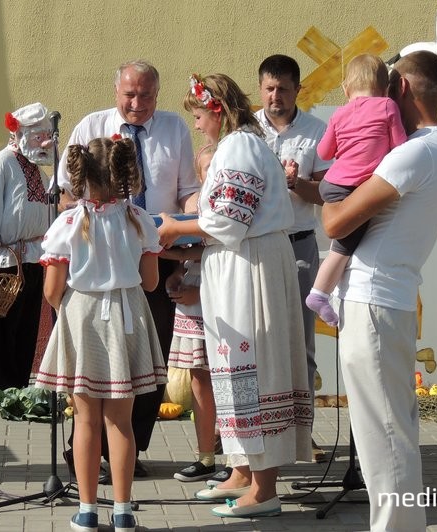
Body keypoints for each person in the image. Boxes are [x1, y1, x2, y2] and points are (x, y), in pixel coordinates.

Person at [157, 73, 312, 518]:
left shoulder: (240, 146)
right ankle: (242, 470)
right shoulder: (236, 145)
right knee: (234, 367)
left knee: (255, 366)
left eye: (200, 116)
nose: (198, 126)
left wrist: (173, 227)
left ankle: (265, 489)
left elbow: (228, 220)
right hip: (236, 265)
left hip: (252, 268)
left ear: (218, 111)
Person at [321, 51, 437, 531]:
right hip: (385, 299)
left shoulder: (412, 153)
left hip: (374, 301)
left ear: (400, 88)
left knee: (384, 438)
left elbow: (336, 218)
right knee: (392, 431)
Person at [57, 59, 198, 476]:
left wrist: (193, 227)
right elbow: (66, 194)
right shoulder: (91, 125)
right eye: (129, 95)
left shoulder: (174, 129)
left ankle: (127, 452)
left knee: (149, 370)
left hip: (156, 261)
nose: (137, 104)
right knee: (94, 370)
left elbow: (188, 193)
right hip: (99, 270)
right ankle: (85, 452)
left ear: (159, 93)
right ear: (116, 91)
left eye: (147, 96)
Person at [34, 136, 166, 532]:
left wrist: (66, 310)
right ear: (124, 173)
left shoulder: (68, 224)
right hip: (127, 315)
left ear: (81, 176)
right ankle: (123, 511)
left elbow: (52, 290)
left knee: (85, 422)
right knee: (121, 423)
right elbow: (150, 283)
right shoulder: (139, 220)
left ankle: (87, 510)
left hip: (84, 315)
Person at [255, 54, 332, 462]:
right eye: (269, 88)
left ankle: (303, 434)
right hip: (256, 248)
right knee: (256, 338)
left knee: (300, 343)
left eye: (283, 88)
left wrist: (296, 183)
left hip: (299, 244)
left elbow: (325, 194)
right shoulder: (247, 130)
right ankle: (252, 431)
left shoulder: (317, 132)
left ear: (298, 89)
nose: (275, 96)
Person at [306, 54, 408, 326]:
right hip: (350, 187)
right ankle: (319, 293)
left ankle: (325, 290)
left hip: (332, 182)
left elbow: (324, 151)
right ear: (386, 88)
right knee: (344, 246)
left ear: (345, 89)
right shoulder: (388, 106)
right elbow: (401, 150)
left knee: (344, 241)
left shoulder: (339, 114)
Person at [0, 103, 52, 399]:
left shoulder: (37, 171)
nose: (46, 143)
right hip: (3, 259)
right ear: (22, 134)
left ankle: (16, 385)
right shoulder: (2, 163)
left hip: (31, 257)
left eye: (47, 136)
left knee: (26, 325)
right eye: (39, 137)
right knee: (2, 327)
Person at [161, 75, 222, 483]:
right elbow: (199, 248)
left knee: (230, 374)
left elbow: (221, 242)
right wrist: (178, 270)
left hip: (220, 291)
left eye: (199, 116)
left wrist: (175, 235)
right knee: (199, 375)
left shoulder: (228, 180)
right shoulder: (204, 192)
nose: (196, 124)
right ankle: (206, 455)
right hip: (196, 293)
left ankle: (237, 455)